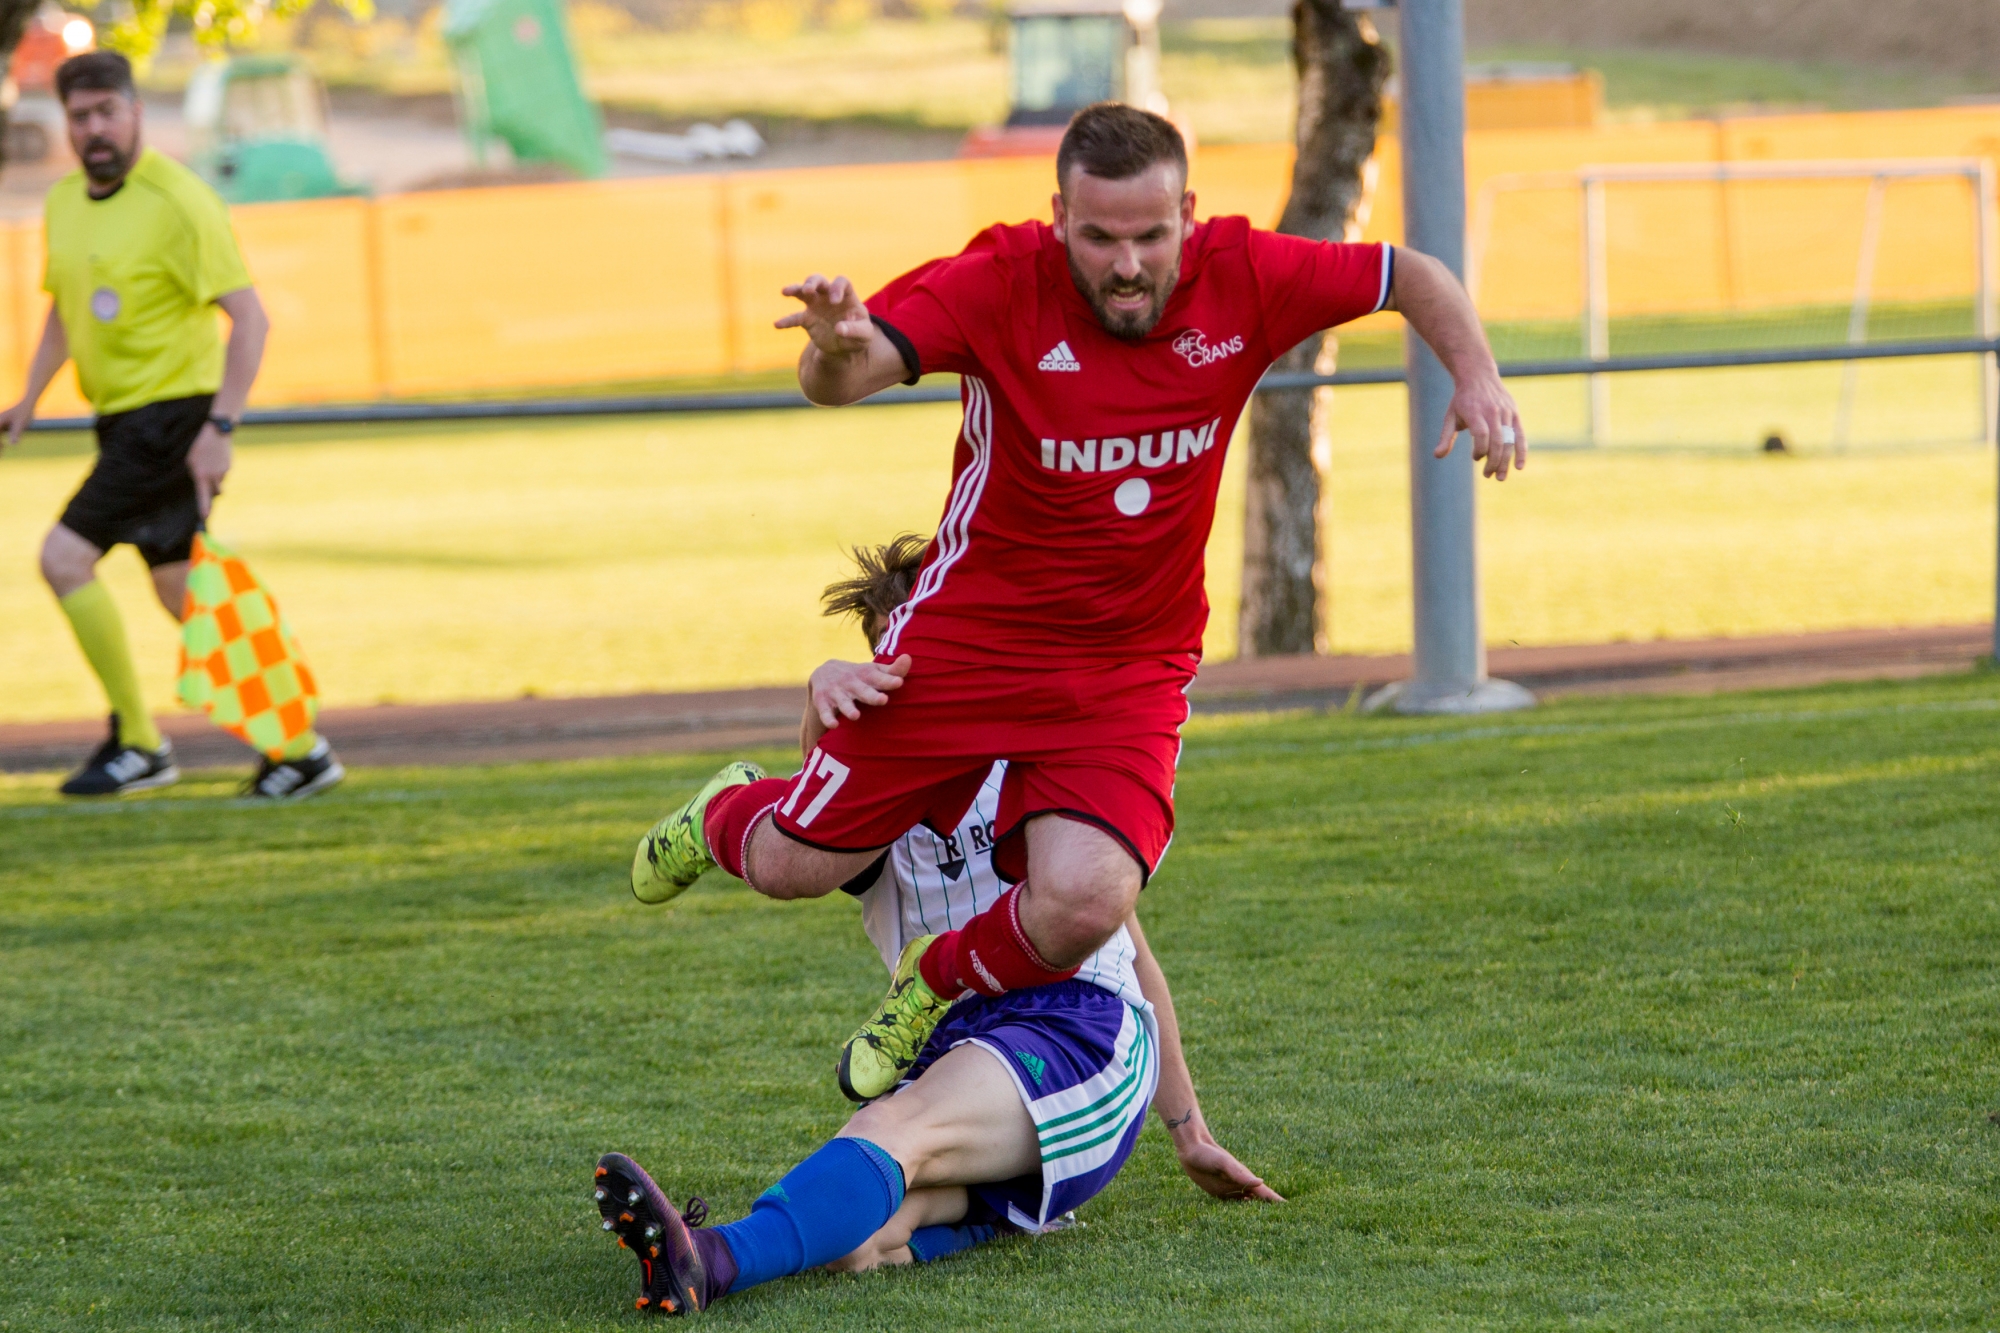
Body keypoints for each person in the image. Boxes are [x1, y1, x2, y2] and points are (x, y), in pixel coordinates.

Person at [632, 102, 1525, 1104]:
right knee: (793, 865)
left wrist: (1476, 374)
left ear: (1187, 213)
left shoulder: (1247, 275)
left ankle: (933, 978)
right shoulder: (997, 282)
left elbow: (1409, 274)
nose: (1128, 263)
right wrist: (836, 343)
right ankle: (725, 811)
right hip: (971, 642)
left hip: (1125, 667)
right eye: (1099, 237)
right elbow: (842, 376)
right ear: (1058, 217)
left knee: (1090, 896)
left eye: (1150, 235)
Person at [596, 540, 1278, 1315]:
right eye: (898, 649)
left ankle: (708, 1261)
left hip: (1077, 1028)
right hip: (957, 1052)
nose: (918, 667)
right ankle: (999, 1216)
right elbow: (816, 832)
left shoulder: (1041, 767)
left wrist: (1188, 1132)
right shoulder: (880, 789)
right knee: (853, 1241)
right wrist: (818, 702)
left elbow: (1133, 962)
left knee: (895, 1124)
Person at [0, 51, 344, 800]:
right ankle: (299, 747)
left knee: (63, 559)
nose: (95, 129)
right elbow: (66, 308)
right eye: (81, 116)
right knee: (182, 592)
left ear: (136, 113)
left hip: (173, 418)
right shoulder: (63, 202)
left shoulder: (180, 199)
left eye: (107, 112)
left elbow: (250, 318)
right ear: (67, 122)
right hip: (119, 421)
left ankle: (139, 740)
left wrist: (219, 424)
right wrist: (28, 396)